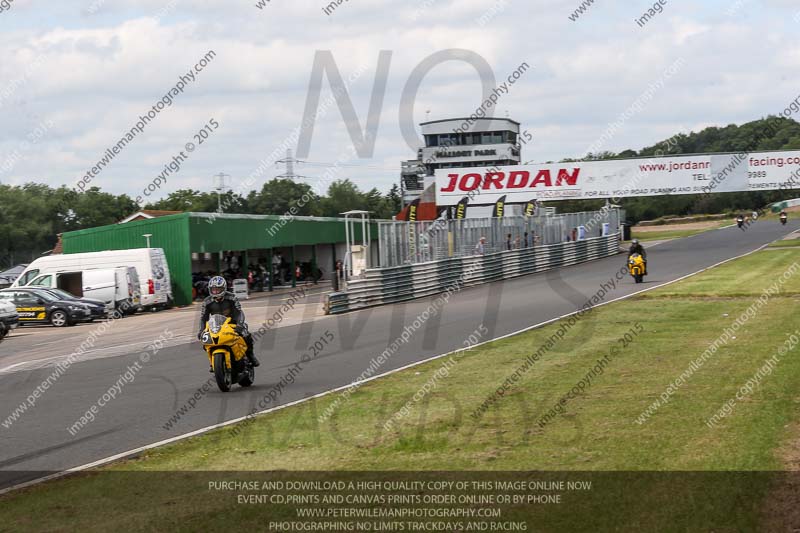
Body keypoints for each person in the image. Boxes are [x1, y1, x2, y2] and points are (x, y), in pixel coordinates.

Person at [197, 276, 260, 367]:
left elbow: (239, 313)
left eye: (218, 289)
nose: (215, 292)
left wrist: (239, 325)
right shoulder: (207, 302)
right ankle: (213, 361)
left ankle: (251, 355)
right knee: (205, 341)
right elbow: (203, 318)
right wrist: (201, 330)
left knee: (246, 335)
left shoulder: (231, 297)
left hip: (233, 324)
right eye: (213, 289)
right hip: (216, 325)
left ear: (223, 288)